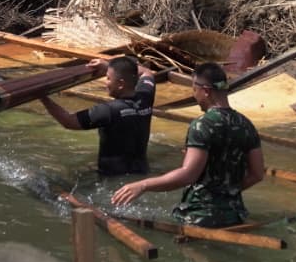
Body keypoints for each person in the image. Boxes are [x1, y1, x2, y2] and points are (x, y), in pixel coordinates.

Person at [112, 63, 265, 228]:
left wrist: (143, 185)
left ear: (206, 91)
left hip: (199, 216)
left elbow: (188, 174)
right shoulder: (246, 125)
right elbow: (257, 174)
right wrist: (227, 192)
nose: (194, 96)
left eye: (194, 90)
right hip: (236, 216)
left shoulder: (202, 125)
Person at [39, 56, 155, 176]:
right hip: (142, 172)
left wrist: (43, 98)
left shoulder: (108, 110)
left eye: (108, 78)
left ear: (121, 84)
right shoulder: (146, 97)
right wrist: (109, 67)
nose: (105, 82)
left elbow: (68, 121)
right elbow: (146, 72)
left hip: (112, 178)